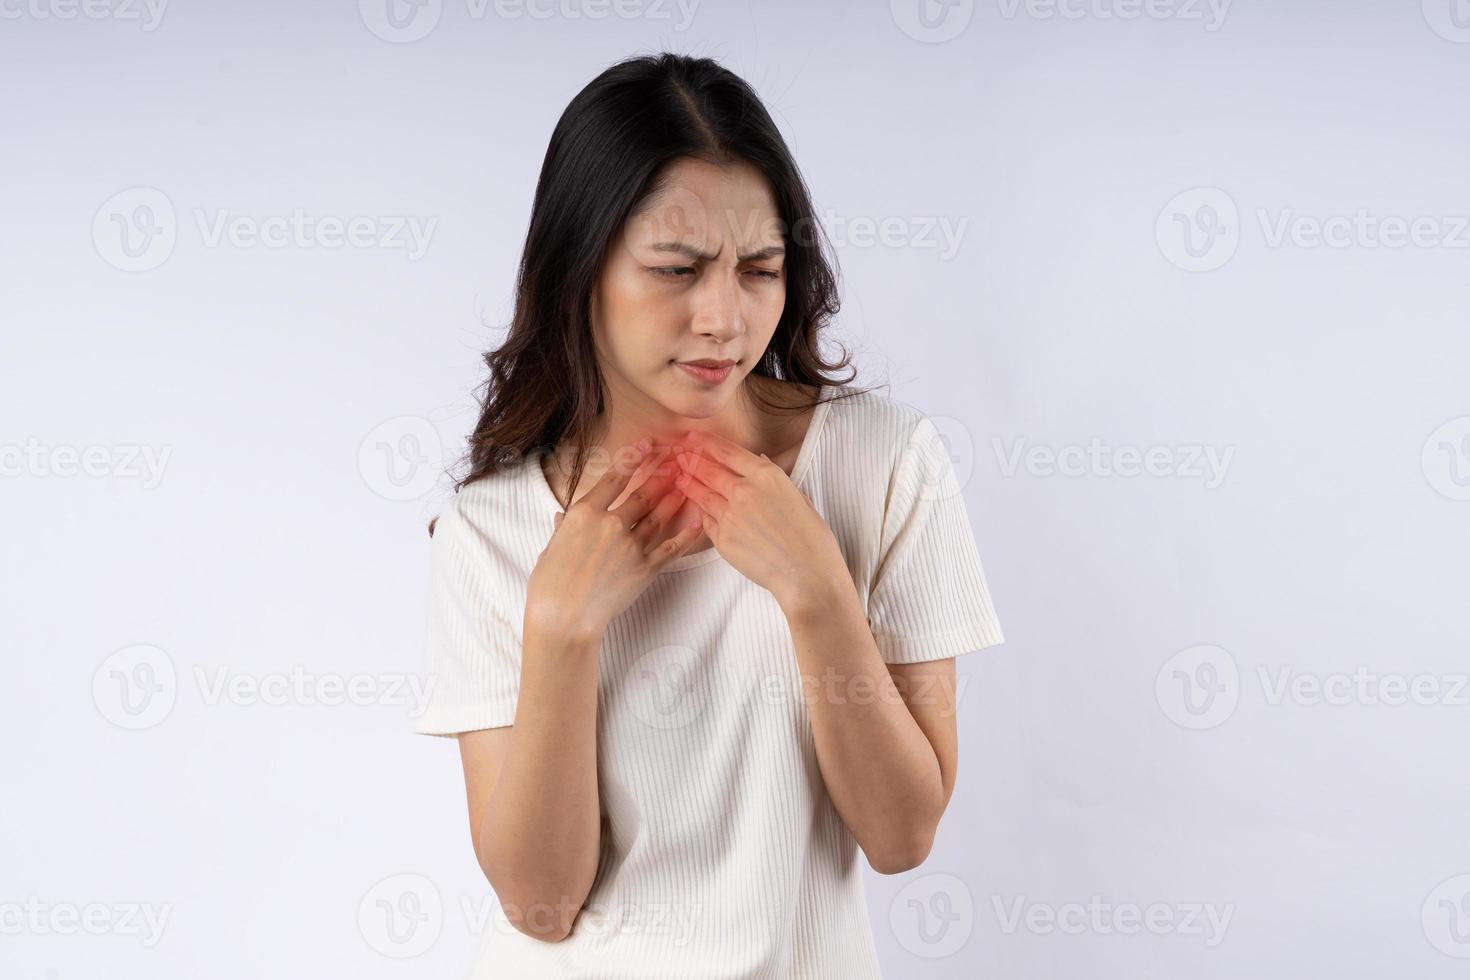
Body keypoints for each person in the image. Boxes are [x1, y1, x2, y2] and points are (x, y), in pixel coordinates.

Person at [414, 51, 1004, 979]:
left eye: (760, 269)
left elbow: (901, 836)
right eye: (676, 269)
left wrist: (816, 589)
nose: (724, 318)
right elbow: (539, 904)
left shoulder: (886, 463)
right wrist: (561, 628)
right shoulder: (491, 528)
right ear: (581, 271)